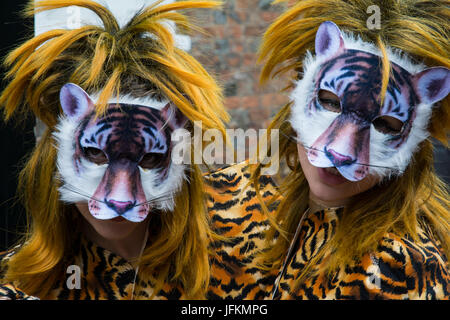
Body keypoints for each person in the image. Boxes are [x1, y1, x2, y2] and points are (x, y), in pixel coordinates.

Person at [0, 0, 230, 300]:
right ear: (57, 154)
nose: (121, 198)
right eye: (96, 153)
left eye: (149, 157)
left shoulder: (238, 247)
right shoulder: (17, 288)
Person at [251, 0, 449, 299]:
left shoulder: (400, 268)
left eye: (384, 124)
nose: (341, 151)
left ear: (415, 138)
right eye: (330, 102)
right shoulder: (247, 204)